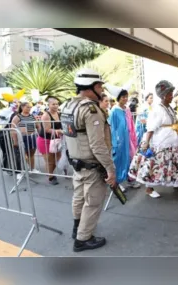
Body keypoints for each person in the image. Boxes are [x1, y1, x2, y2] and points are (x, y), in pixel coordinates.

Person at [61, 68, 116, 252]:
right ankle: (83, 239)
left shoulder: (68, 106)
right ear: (92, 86)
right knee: (92, 202)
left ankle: (77, 229)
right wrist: (110, 169)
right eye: (100, 86)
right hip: (92, 165)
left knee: (78, 198)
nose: (101, 90)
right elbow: (98, 145)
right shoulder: (91, 110)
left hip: (77, 163)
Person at [128, 80, 178, 198]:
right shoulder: (157, 109)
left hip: (173, 142)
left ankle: (177, 181)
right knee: (154, 164)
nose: (172, 96)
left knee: (175, 162)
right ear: (164, 95)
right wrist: (146, 142)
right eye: (170, 94)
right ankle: (149, 188)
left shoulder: (169, 107)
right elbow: (150, 128)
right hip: (161, 142)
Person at [107, 84, 141, 191]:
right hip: (119, 141)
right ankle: (117, 182)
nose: (125, 99)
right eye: (123, 97)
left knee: (130, 159)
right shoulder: (114, 111)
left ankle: (130, 179)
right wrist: (115, 141)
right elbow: (112, 127)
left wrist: (133, 137)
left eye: (126, 96)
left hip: (129, 140)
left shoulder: (127, 109)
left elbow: (131, 124)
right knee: (119, 161)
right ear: (118, 98)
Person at [37, 97, 64, 185]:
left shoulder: (59, 114)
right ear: (48, 105)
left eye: (57, 104)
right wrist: (60, 131)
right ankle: (51, 177)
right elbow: (47, 129)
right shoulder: (46, 115)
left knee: (58, 159)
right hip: (45, 140)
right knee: (49, 160)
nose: (55, 106)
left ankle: (50, 173)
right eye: (53, 104)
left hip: (56, 140)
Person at [11, 101, 41, 175]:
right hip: (22, 137)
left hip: (32, 137)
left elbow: (38, 126)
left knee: (31, 154)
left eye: (30, 107)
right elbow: (12, 129)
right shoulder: (17, 117)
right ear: (22, 107)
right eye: (27, 107)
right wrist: (15, 141)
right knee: (23, 155)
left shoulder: (33, 116)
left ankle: (32, 168)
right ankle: (20, 172)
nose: (29, 108)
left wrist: (40, 135)